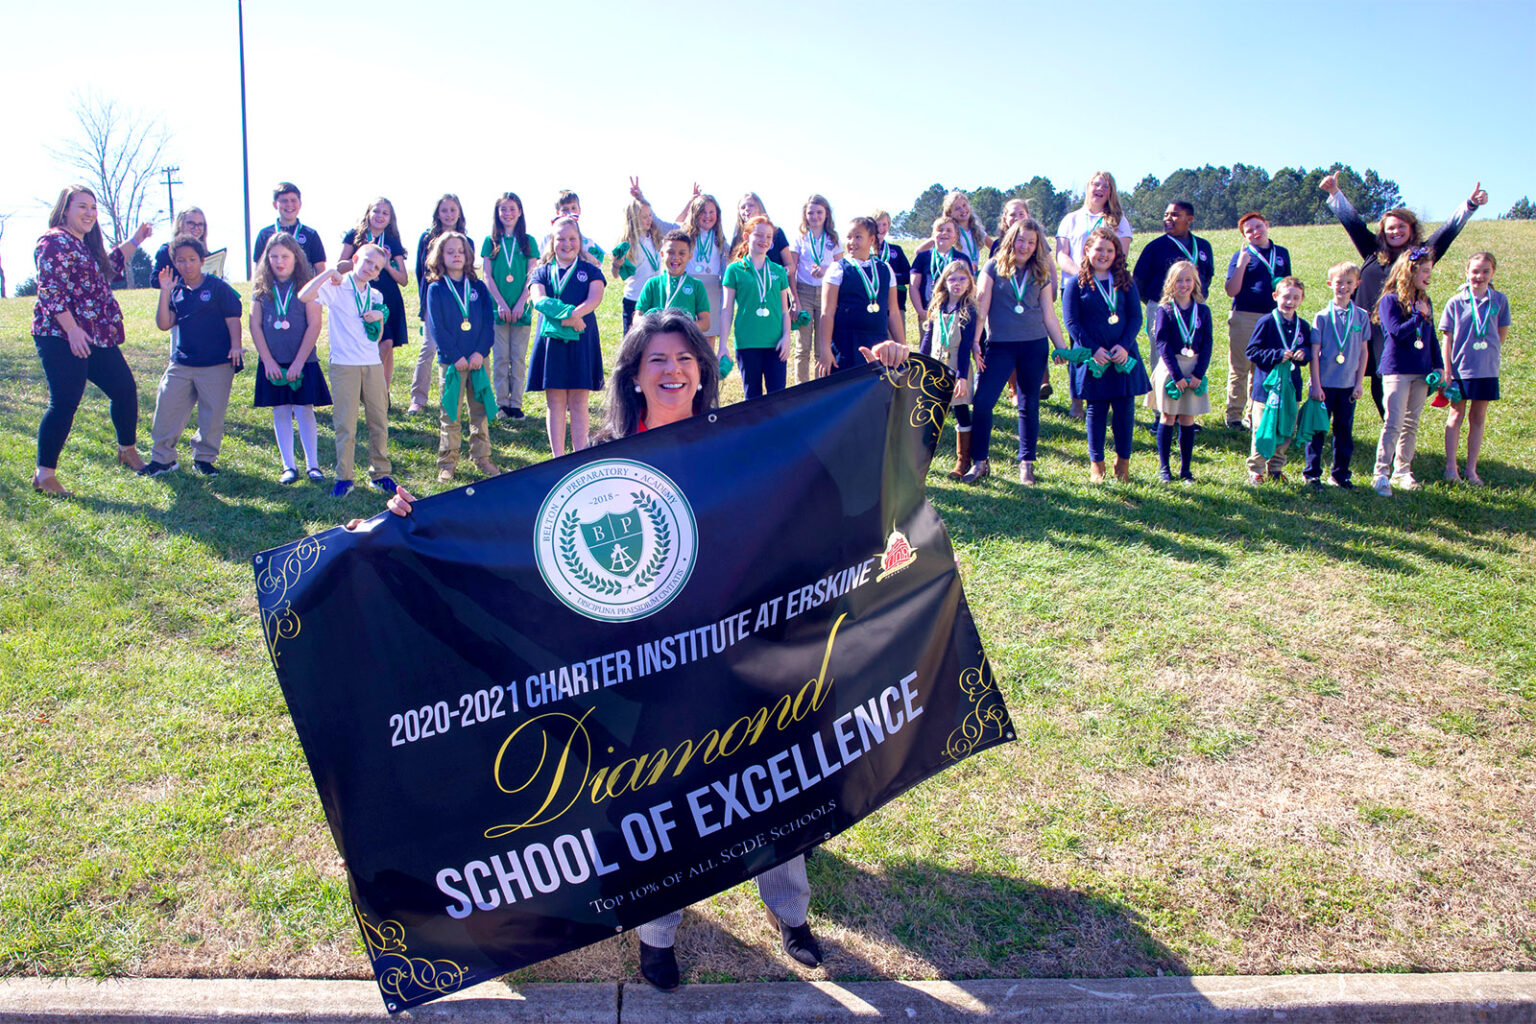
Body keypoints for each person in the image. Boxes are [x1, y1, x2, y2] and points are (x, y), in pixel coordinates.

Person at [365, 310, 913, 988]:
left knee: (777, 778)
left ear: (704, 372)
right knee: (662, 798)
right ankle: (658, 934)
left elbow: (826, 475)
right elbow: (520, 533)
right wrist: (420, 526)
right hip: (659, 665)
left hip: (748, 645)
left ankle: (792, 915)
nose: (674, 369)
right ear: (633, 374)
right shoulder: (601, 458)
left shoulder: (744, 441)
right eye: (657, 359)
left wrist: (886, 375)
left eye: (686, 358)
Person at [1320, 174, 1486, 418]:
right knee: (1354, 377)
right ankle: (1346, 430)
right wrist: (1335, 193)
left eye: (1401, 226)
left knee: (1387, 379)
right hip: (1365, 326)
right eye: (1390, 228)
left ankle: (1395, 430)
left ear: (1411, 228)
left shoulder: (1420, 255)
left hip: (1399, 327)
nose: (1395, 231)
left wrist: (1469, 206)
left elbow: (1447, 232)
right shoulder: (1372, 250)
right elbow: (1352, 223)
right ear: (1383, 232)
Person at [30, 184, 152, 496]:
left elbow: (110, 264)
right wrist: (71, 329)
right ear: (65, 210)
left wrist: (137, 239)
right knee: (65, 401)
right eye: (82, 206)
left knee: (124, 389)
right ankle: (44, 474)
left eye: (92, 208)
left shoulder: (84, 246)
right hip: (60, 335)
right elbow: (50, 289)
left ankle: (127, 450)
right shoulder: (54, 241)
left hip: (95, 335)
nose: (89, 213)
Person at [968, 218, 1066, 486]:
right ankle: (980, 462)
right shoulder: (992, 267)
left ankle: (1027, 464)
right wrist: (976, 342)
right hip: (999, 346)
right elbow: (981, 308)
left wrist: (1062, 348)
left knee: (1029, 404)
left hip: (1034, 345)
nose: (1025, 246)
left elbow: (1049, 314)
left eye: (1031, 242)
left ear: (1037, 247)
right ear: (1011, 240)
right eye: (1021, 240)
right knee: (984, 402)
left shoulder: (1041, 271)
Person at [138, 237, 244, 478]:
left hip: (216, 363)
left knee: (212, 414)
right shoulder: (175, 291)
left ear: (202, 261)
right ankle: (163, 459)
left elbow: (233, 317)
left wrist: (236, 346)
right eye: (181, 261)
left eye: (192, 260)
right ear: (175, 263)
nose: (187, 265)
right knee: (166, 407)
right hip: (182, 362)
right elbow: (164, 324)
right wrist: (164, 292)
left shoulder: (217, 287)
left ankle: (204, 459)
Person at [299, 245, 397, 498]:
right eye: (367, 262)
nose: (370, 268)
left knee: (379, 420)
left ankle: (380, 473)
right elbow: (304, 296)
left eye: (376, 267)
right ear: (355, 259)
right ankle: (344, 477)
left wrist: (379, 317)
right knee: (346, 424)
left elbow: (377, 335)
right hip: (344, 365)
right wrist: (328, 272)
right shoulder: (337, 286)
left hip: (372, 363)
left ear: (378, 274)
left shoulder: (376, 295)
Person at [1061, 227, 1149, 483]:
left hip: (1123, 356)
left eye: (1110, 250)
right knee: (1096, 412)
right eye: (1099, 249)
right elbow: (1072, 322)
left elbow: (1135, 317)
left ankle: (1123, 462)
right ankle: (1096, 463)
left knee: (1124, 411)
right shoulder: (1075, 284)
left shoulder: (1125, 281)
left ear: (1116, 253)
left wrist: (1124, 345)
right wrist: (1093, 350)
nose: (1104, 254)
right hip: (1094, 358)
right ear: (1087, 251)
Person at [250, 232, 329, 484]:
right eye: (273, 257)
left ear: (296, 257)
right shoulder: (261, 289)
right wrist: (268, 361)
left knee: (304, 410)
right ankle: (288, 467)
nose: (279, 261)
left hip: (303, 361)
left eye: (285, 256)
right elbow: (255, 326)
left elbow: (314, 324)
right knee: (281, 411)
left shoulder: (307, 287)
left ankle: (313, 466)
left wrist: (298, 362)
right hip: (273, 362)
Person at [1057, 173, 1134, 419]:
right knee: (1080, 343)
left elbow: (1120, 254)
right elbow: (1062, 255)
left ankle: (1107, 393)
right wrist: (1083, 275)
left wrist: (1098, 274)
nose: (1100, 188)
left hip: (1109, 288)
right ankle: (1078, 399)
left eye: (1106, 185)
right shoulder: (1071, 219)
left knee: (1109, 339)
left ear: (1111, 192)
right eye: (1095, 184)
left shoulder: (1119, 220)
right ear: (1087, 188)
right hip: (1076, 286)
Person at [527, 216, 606, 456]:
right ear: (552, 242)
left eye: (572, 239)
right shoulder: (540, 272)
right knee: (556, 401)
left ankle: (579, 455)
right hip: (552, 342)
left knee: (580, 400)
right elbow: (538, 299)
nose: (567, 244)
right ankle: (558, 458)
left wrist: (575, 315)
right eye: (561, 239)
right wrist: (568, 316)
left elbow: (595, 298)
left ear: (580, 241)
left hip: (582, 338)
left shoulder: (590, 270)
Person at [424, 232, 499, 483]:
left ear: (468, 255)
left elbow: (489, 323)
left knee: (480, 411)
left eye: (460, 251)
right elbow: (437, 328)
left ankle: (482, 456)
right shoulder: (436, 289)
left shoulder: (478, 288)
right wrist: (455, 356)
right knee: (451, 413)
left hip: (478, 361)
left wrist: (480, 352)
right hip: (452, 363)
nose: (456, 255)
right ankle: (448, 461)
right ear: (441, 257)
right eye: (450, 251)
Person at [1370, 249, 1441, 496]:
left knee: (1411, 423)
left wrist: (1439, 365)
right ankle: (1381, 473)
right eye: (1425, 271)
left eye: (1430, 271)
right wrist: (1420, 317)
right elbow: (1397, 333)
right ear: (1410, 271)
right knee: (1393, 422)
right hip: (1397, 369)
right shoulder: (1390, 300)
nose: (1429, 276)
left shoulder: (1425, 301)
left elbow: (1431, 338)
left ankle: (1403, 471)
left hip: (1421, 370)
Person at [1440, 252, 1509, 486]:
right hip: (1460, 369)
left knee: (1478, 418)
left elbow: (1501, 333)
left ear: (1492, 273)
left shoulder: (1499, 300)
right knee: (1456, 414)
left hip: (1486, 369)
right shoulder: (1456, 302)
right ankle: (1451, 467)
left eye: (1485, 271)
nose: (1479, 276)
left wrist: (1488, 353)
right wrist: (1447, 370)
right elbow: (1447, 338)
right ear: (1466, 272)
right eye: (1475, 271)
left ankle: (1471, 470)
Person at [1222, 212, 1292, 430]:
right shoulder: (1241, 255)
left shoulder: (1281, 253)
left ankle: (1254, 416)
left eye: (1258, 227)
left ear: (1267, 225)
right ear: (1244, 235)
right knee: (1240, 366)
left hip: (1273, 318)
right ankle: (1233, 415)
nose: (1255, 232)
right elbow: (1231, 290)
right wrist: (1242, 264)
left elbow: (1288, 286)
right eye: (1249, 230)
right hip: (1244, 315)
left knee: (1262, 367)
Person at [1303, 262, 1369, 489]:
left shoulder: (1361, 317)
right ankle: (1312, 473)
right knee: (1318, 430)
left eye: (1349, 283)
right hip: (1324, 385)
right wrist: (1316, 385)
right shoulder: (1321, 316)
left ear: (1356, 285)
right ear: (1330, 284)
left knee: (1344, 432)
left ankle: (1340, 474)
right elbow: (1314, 352)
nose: (1343, 287)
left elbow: (1363, 351)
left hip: (1348, 385)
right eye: (1339, 282)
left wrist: (1359, 383)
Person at [1146, 261, 1212, 483]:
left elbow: (1208, 344)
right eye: (1179, 281)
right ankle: (1165, 468)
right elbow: (1162, 343)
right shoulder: (1164, 310)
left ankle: (1186, 470)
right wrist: (1175, 376)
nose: (1183, 285)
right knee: (1168, 416)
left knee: (1187, 417)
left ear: (1195, 283)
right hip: (1171, 368)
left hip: (1194, 369)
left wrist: (1198, 374)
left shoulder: (1203, 311)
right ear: (1170, 284)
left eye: (1188, 280)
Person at [338, 198, 410, 396]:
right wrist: (363, 256)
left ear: (390, 218)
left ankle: (381, 393)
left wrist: (385, 263)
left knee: (388, 343)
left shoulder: (392, 242)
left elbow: (403, 279)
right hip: (359, 296)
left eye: (385, 213)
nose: (380, 216)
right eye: (376, 211)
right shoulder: (355, 236)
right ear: (368, 213)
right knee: (373, 342)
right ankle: (365, 386)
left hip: (387, 298)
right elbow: (340, 265)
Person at [1244, 277, 1312, 484]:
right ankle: (1256, 469)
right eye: (1285, 297)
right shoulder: (1266, 322)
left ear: (1301, 299)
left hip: (1290, 389)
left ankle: (1276, 468)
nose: (1289, 301)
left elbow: (1309, 350)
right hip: (1267, 389)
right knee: (1263, 428)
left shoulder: (1303, 326)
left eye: (1295, 297)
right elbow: (1252, 351)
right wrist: (1275, 355)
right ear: (1275, 297)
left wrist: (1304, 354)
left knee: (1286, 429)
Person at [819, 217, 905, 375]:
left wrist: (902, 346)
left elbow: (893, 312)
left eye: (858, 237)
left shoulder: (885, 269)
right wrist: (825, 350)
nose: (852, 242)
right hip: (846, 345)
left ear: (871, 239)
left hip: (879, 345)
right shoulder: (837, 269)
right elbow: (827, 312)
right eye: (849, 237)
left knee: (877, 394)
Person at [720, 215, 793, 399]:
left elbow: (785, 311)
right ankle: (753, 429)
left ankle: (776, 429)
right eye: (759, 235)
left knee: (777, 397)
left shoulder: (778, 271)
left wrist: (786, 337)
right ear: (746, 236)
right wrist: (722, 345)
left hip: (775, 344)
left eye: (768, 237)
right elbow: (726, 310)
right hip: (747, 343)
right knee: (752, 397)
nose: (764, 240)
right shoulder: (734, 270)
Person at [481, 192, 540, 420]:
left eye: (512, 208)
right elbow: (487, 275)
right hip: (498, 310)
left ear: (520, 211)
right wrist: (501, 303)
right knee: (500, 358)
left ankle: (516, 404)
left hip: (521, 310)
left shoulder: (528, 241)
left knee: (517, 357)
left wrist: (521, 302)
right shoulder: (490, 241)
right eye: (503, 209)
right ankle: (501, 404)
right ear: (497, 213)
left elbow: (532, 274)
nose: (508, 213)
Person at [410, 194, 469, 415]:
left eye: (453, 210)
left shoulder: (466, 240)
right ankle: (418, 399)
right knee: (429, 348)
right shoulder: (427, 238)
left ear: (459, 213)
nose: (449, 214)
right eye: (444, 210)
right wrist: (424, 302)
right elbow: (419, 271)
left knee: (457, 349)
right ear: (438, 213)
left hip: (459, 304)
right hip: (433, 300)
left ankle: (454, 397)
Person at [923, 260, 981, 479]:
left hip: (957, 368)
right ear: (944, 282)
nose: (957, 283)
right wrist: (921, 363)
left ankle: (962, 461)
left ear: (969, 282)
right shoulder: (938, 306)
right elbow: (928, 338)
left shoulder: (969, 310)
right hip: (936, 366)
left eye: (962, 278)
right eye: (952, 279)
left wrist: (962, 378)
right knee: (930, 414)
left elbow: (966, 346)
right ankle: (922, 459)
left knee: (961, 412)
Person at [1131, 202, 1213, 326]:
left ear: (1189, 219)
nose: (1168, 219)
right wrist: (1155, 303)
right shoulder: (1154, 247)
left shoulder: (1203, 246)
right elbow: (1138, 281)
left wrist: (1199, 295)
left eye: (1175, 215)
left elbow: (1207, 276)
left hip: (1195, 308)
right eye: (1165, 215)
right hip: (1162, 308)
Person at [790, 195, 841, 385]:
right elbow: (792, 270)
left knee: (823, 345)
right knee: (803, 346)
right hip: (804, 292)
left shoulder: (833, 239)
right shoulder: (799, 239)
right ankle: (801, 387)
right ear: (805, 214)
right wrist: (795, 300)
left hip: (826, 294)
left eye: (819, 212)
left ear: (826, 214)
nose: (815, 216)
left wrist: (827, 270)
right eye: (811, 212)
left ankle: (821, 387)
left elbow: (842, 267)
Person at [612, 192, 677, 334]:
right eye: (644, 217)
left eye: (650, 216)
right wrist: (616, 264)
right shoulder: (627, 243)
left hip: (656, 298)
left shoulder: (655, 237)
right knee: (633, 343)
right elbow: (616, 274)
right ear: (634, 219)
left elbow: (677, 227)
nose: (649, 220)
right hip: (634, 299)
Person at [909, 217, 973, 349]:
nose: (944, 233)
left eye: (949, 231)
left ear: (955, 237)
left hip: (956, 312)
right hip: (928, 312)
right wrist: (921, 311)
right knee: (927, 348)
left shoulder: (962, 258)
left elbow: (970, 286)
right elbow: (913, 286)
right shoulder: (923, 257)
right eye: (940, 230)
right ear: (933, 235)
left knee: (954, 348)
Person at [681, 194, 728, 360]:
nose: (707, 216)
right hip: (690, 289)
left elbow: (730, 264)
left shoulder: (720, 239)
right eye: (702, 211)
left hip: (713, 290)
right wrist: (689, 201)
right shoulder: (686, 235)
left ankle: (707, 380)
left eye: (711, 212)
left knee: (708, 339)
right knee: (687, 337)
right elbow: (668, 227)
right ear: (694, 214)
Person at [636, 230, 711, 331]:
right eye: (670, 252)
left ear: (689, 256)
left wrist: (684, 327)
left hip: (685, 343)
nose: (676, 257)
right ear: (662, 254)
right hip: (658, 341)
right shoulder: (652, 284)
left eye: (682, 253)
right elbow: (637, 318)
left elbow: (705, 323)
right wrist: (652, 325)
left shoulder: (697, 285)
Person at [252, 182, 325, 271]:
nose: (289, 204)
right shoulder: (265, 234)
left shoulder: (311, 234)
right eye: (284, 201)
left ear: (300, 204)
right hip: (273, 284)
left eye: (293, 200)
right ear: (275, 205)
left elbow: (320, 268)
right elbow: (258, 268)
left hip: (304, 284)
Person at [727, 192, 796, 278]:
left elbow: (791, 265)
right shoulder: (737, 238)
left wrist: (780, 273)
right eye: (743, 207)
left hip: (773, 286)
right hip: (748, 287)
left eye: (751, 205)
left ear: (759, 208)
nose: (747, 209)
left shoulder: (776, 232)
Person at [151, 208, 210, 279]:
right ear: (180, 224)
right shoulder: (166, 251)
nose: (196, 228)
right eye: (191, 223)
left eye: (200, 224)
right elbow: (155, 280)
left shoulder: (207, 255)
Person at [872, 210, 911, 315]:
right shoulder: (865, 251)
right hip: (872, 304)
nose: (881, 228)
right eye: (877, 224)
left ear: (889, 226)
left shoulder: (896, 250)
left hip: (897, 305)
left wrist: (889, 277)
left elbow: (908, 276)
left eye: (884, 224)